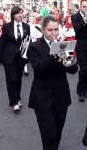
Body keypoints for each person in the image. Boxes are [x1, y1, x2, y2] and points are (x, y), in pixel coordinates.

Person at [27, 16, 78, 150]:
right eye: (50, 30)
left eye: (56, 29)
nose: (53, 33)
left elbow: (73, 70)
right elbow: (39, 71)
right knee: (48, 136)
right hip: (43, 98)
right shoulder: (34, 46)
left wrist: (69, 55)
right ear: (43, 30)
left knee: (57, 134)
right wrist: (54, 54)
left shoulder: (63, 44)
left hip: (61, 96)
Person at [0, 6, 30, 113]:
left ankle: (18, 98)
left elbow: (27, 42)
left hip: (21, 58)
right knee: (12, 79)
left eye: (22, 13)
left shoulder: (26, 26)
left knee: (18, 79)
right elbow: (1, 42)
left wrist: (28, 55)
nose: (21, 15)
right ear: (13, 15)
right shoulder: (7, 26)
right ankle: (14, 102)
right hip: (9, 57)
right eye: (18, 13)